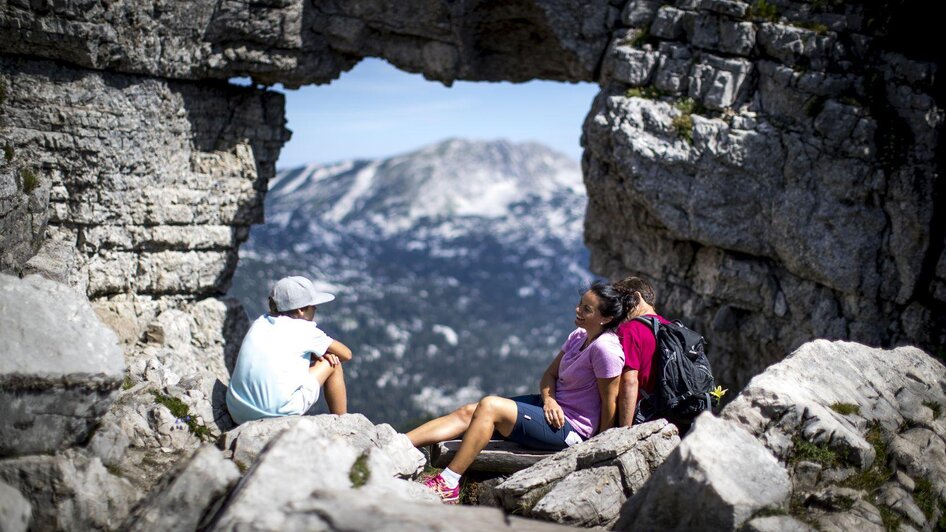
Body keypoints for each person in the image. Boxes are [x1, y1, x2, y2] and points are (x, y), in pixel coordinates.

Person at [407, 281, 626, 503]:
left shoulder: (605, 350)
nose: (578, 310)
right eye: (580, 304)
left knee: (489, 407)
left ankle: (448, 483)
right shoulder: (579, 335)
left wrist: (598, 449)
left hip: (570, 430)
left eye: (587, 309)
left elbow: (610, 403)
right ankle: (397, 444)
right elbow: (549, 375)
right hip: (551, 409)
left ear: (606, 318)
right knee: (469, 411)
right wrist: (549, 400)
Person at [226, 276, 353, 425]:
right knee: (334, 362)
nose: (316, 308)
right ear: (300, 310)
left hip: (237, 410)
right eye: (312, 305)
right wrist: (323, 354)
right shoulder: (305, 330)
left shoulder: (260, 322)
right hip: (275, 415)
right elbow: (346, 354)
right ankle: (342, 424)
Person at [613, 276, 669, 427]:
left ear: (637, 297)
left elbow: (629, 382)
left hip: (644, 418)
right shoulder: (673, 328)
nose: (619, 311)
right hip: (673, 418)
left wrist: (624, 431)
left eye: (622, 302)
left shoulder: (630, 330)